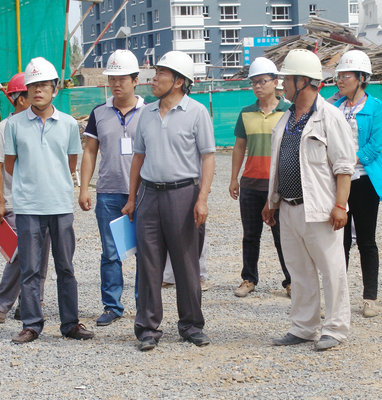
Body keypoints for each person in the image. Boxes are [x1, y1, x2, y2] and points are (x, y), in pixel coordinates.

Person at [121, 50, 215, 352]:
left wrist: (202, 199)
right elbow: (138, 157)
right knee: (149, 264)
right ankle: (147, 329)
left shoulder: (197, 112)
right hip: (149, 196)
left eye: (161, 73)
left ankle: (191, 326)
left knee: (186, 264)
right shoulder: (146, 114)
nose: (154, 78)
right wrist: (132, 198)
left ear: (178, 81)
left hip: (184, 195)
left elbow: (208, 158)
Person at [262, 49, 356, 351]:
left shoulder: (330, 117)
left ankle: (336, 329)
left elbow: (344, 167)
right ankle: (303, 327)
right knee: (299, 271)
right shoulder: (286, 118)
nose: (282, 85)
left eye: (287, 79)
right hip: (288, 208)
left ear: (303, 81)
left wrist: (340, 206)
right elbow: (279, 163)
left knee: (332, 270)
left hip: (320, 209)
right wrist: (271, 201)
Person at [4, 57, 93, 343]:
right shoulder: (14, 125)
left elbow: (70, 162)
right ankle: (31, 324)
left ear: (55, 88)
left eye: (44, 85)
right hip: (28, 207)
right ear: (26, 91)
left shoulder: (68, 124)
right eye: (33, 86)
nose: (38, 90)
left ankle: (70, 324)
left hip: (60, 206)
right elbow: (10, 164)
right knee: (30, 269)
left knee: (65, 267)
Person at [78, 50, 146, 326]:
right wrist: (84, 187)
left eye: (122, 78)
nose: (116, 84)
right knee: (110, 252)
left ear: (135, 80)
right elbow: (90, 151)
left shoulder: (150, 112)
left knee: (145, 251)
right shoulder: (99, 113)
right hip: (108, 192)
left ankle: (145, 304)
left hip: (143, 193)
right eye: (112, 79)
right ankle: (112, 306)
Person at [333, 50, 382, 318]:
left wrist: (349, 160)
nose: (340, 80)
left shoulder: (375, 107)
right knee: (339, 241)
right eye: (338, 76)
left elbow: (375, 145)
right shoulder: (334, 106)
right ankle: (338, 298)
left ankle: (369, 298)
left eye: (346, 76)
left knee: (366, 240)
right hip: (337, 180)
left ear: (361, 78)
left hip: (363, 181)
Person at [0, 72, 50, 323]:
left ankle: (30, 303)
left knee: (41, 257)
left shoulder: (40, 125)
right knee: (21, 254)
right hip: (15, 202)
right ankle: (1, 303)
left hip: (42, 202)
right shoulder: (3, 129)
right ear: (20, 99)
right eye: (31, 92)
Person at [229, 57, 292, 298]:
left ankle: (291, 280)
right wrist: (234, 178)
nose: (257, 86)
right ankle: (249, 278)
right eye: (254, 82)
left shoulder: (288, 111)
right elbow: (239, 147)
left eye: (262, 81)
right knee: (250, 234)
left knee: (283, 236)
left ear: (275, 82)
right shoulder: (246, 113)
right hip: (251, 183)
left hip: (278, 184)